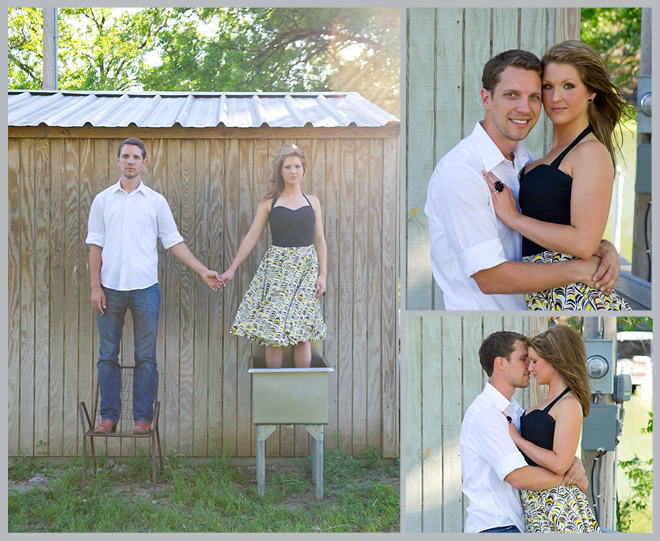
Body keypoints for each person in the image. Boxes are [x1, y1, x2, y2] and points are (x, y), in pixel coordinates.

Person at [424, 49, 621, 310]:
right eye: (511, 95)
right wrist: (579, 269)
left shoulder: (525, 161)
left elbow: (561, 228)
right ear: (486, 98)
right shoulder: (461, 173)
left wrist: (603, 247)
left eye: (534, 97)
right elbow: (490, 278)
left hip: (543, 308)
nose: (524, 108)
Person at [483, 41, 631, 310]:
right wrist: (605, 244)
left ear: (591, 93)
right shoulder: (532, 159)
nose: (555, 98)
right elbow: (573, 229)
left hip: (575, 297)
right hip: (543, 293)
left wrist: (515, 218)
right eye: (548, 87)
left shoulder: (590, 152)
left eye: (569, 86)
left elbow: (582, 244)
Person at [86, 138, 221, 435]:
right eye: (126, 156)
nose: (131, 161)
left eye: (136, 157)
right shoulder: (103, 200)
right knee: (107, 355)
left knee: (145, 356)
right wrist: (95, 287)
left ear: (145, 163)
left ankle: (142, 419)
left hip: (146, 290)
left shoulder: (156, 201)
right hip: (109, 290)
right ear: (118, 161)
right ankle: (108, 417)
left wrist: (201, 271)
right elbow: (95, 246)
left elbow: (173, 242)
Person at [460, 331, 588, 533]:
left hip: (523, 523)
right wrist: (572, 478)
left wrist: (575, 462)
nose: (529, 367)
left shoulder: (515, 412)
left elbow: (548, 449)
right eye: (523, 359)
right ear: (501, 363)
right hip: (496, 526)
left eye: (532, 361)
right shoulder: (486, 414)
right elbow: (519, 477)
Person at [218, 144, 327, 368]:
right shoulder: (269, 203)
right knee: (273, 334)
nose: (293, 171)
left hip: (306, 270)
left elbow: (319, 240)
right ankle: (274, 390)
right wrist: (232, 268)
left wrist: (323, 275)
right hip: (277, 270)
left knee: (302, 333)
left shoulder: (313, 202)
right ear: (281, 171)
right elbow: (251, 237)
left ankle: (300, 394)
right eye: (288, 167)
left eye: (297, 166)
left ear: (304, 170)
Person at [507, 325, 600, 532]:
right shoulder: (546, 402)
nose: (530, 368)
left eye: (534, 362)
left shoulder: (568, 403)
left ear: (554, 360)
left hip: (559, 507)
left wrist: (518, 440)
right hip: (538, 505)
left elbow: (559, 463)